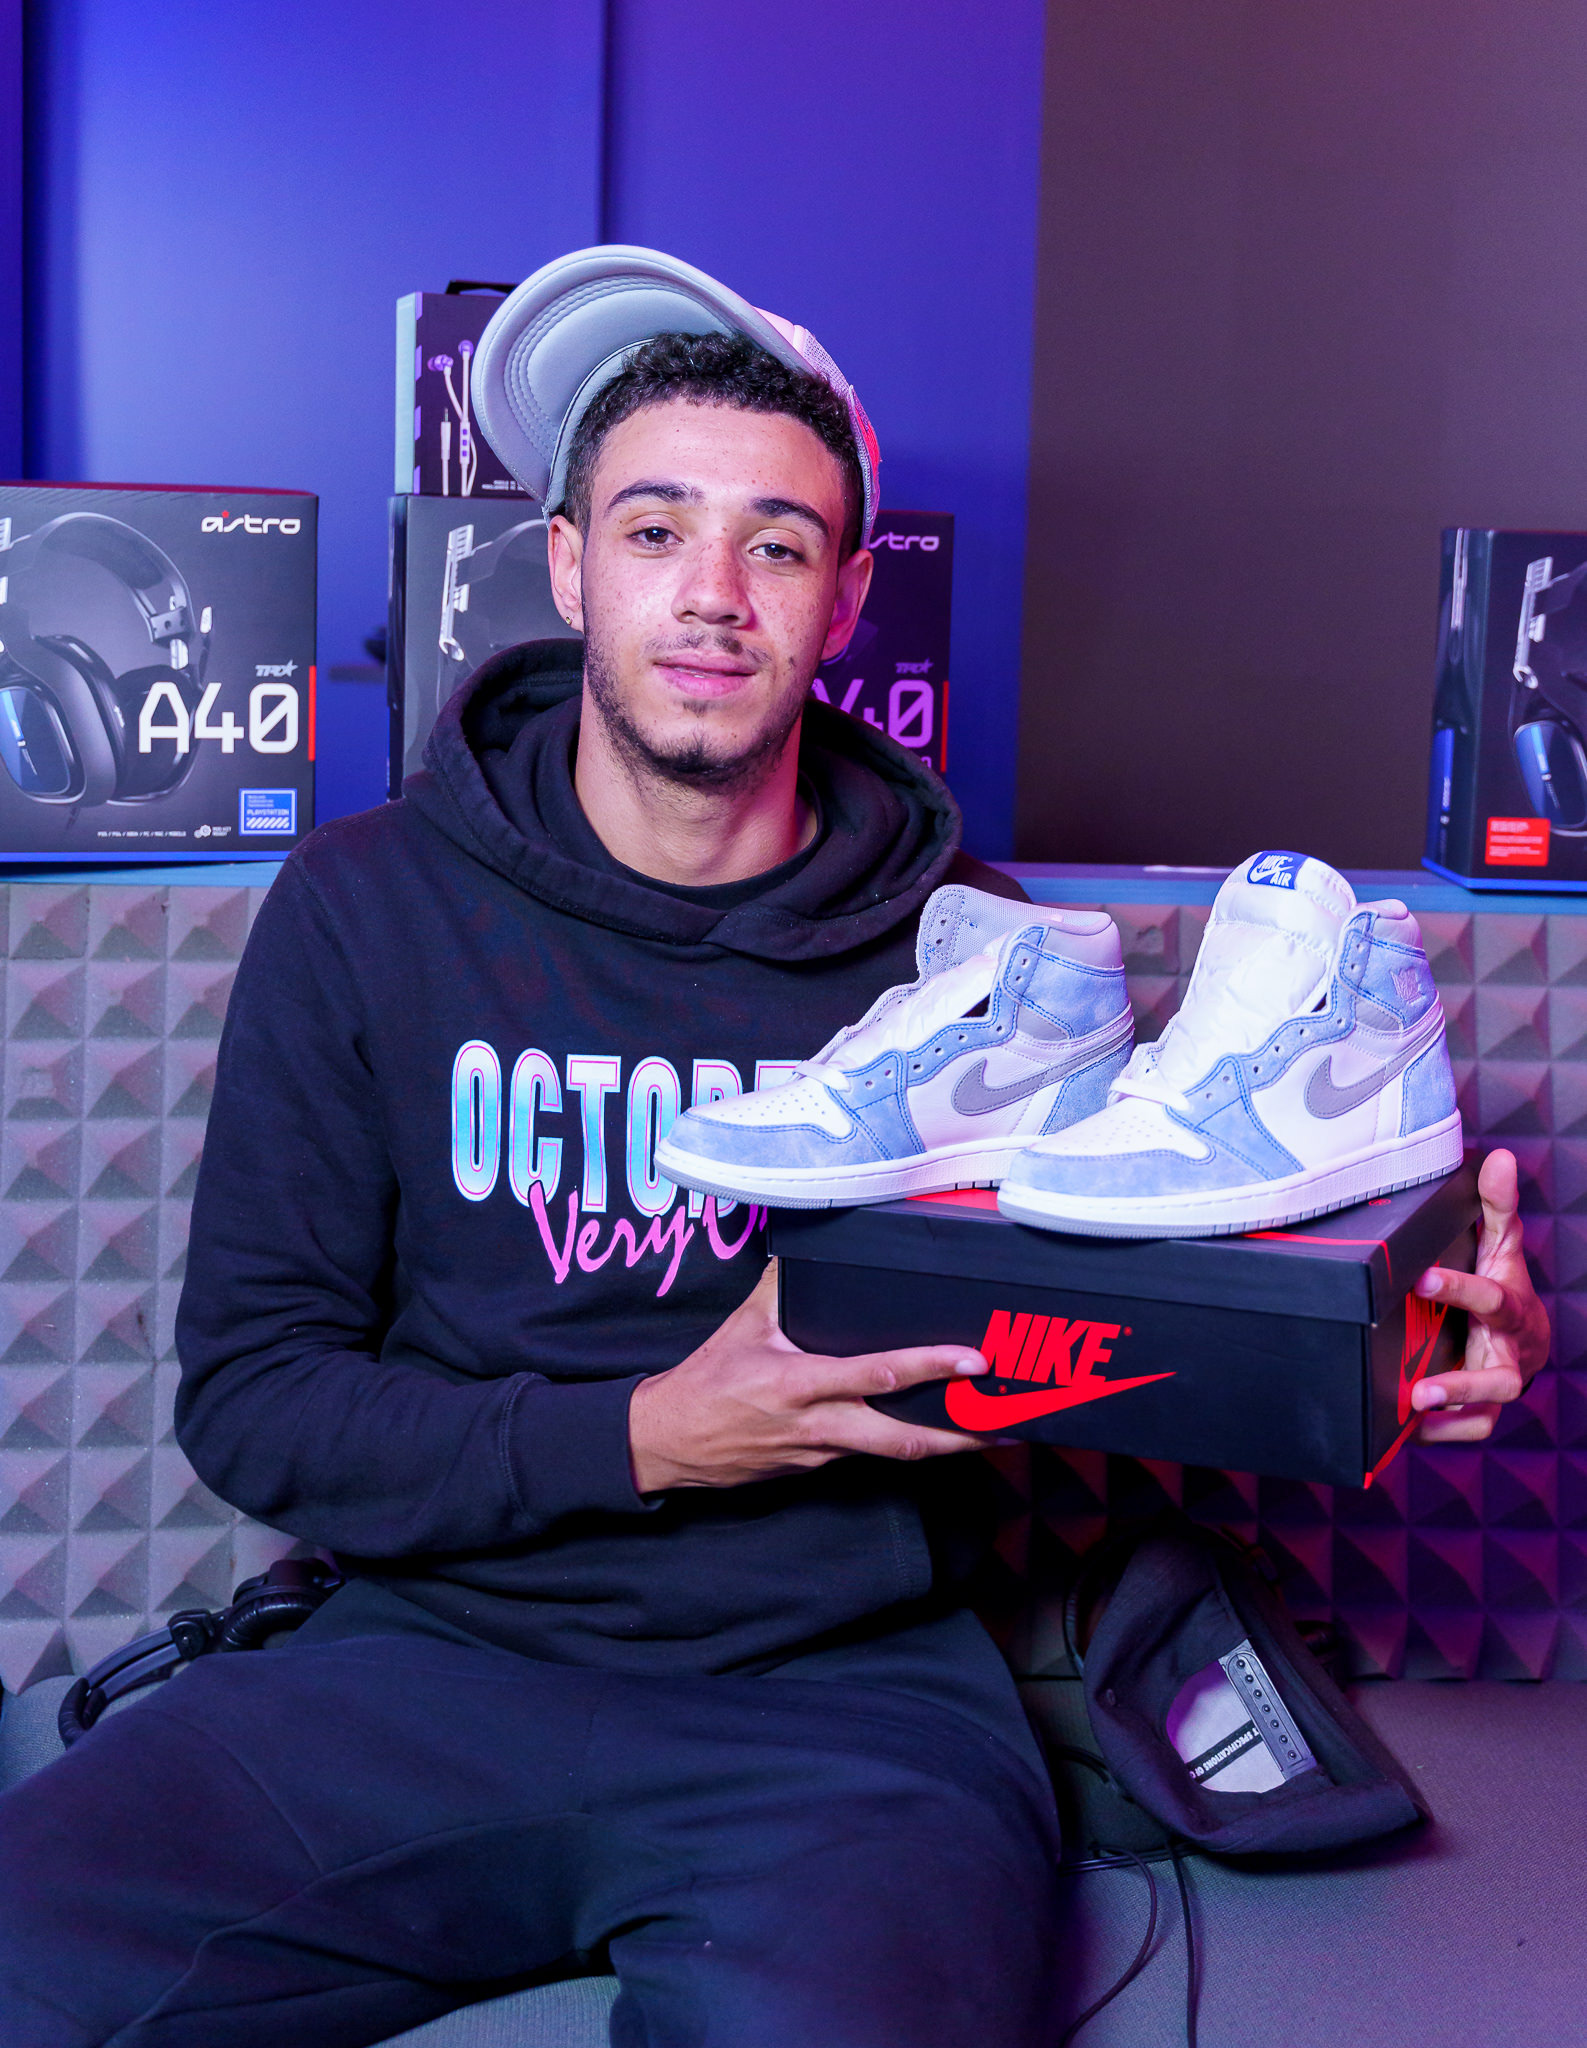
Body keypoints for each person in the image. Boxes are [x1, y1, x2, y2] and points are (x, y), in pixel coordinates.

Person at [0, 249, 1550, 2048]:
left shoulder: (989, 969)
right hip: (418, 1662)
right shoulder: (365, 909)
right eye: (656, 530)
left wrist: (1400, 1346)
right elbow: (257, 1402)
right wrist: (653, 1434)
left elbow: (1140, 1328)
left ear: (849, 596)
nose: (714, 597)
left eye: (780, 546)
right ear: (568, 564)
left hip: (849, 1712)